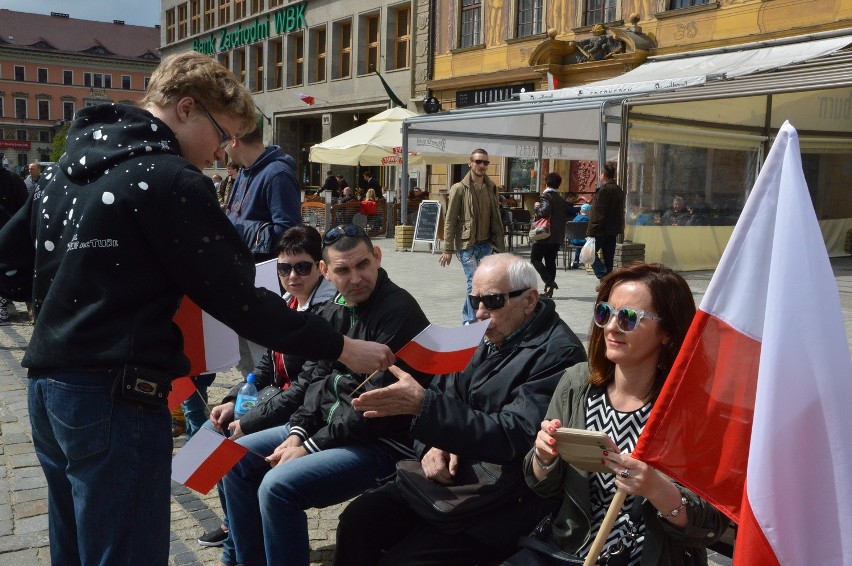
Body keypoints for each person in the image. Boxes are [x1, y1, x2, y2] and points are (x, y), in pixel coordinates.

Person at [0, 52, 393, 566]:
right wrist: (342, 346)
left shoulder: (63, 178)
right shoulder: (167, 178)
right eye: (222, 133)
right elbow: (240, 299)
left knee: (74, 545)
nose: (223, 152)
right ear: (186, 109)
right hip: (114, 392)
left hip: (50, 387)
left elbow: (9, 261)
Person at [336, 253, 587, 565]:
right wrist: (431, 445)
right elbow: (444, 398)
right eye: (474, 299)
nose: (480, 312)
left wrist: (424, 407)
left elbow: (515, 436)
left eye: (493, 301)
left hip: (499, 499)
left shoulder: (559, 354)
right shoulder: (485, 334)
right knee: (358, 519)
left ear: (529, 300)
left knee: (405, 559)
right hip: (450, 483)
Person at [218, 224, 430, 566]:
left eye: (362, 265)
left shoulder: (398, 310)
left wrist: (307, 446)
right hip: (332, 430)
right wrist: (300, 431)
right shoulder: (334, 309)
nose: (356, 278)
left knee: (277, 487)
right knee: (234, 457)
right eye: (343, 270)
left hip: (383, 441)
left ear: (377, 257)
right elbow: (315, 381)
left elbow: (371, 406)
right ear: (326, 272)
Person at [503, 263, 727, 565]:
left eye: (628, 318)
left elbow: (712, 525)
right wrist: (544, 457)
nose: (611, 326)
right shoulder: (577, 383)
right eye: (604, 313)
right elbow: (541, 485)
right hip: (568, 551)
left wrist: (657, 489)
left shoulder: (691, 408)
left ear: (668, 333)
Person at [198, 224, 337, 550]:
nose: (292, 276)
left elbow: (306, 387)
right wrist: (233, 399)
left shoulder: (325, 313)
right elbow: (265, 366)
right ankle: (236, 524)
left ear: (320, 267)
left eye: (302, 267)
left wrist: (249, 422)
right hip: (279, 399)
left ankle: (239, 548)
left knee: (229, 448)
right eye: (284, 268)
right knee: (211, 429)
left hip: (304, 412)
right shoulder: (288, 303)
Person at [440, 148, 506, 324]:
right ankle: (470, 321)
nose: (482, 165)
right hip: (466, 244)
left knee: (482, 284)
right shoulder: (459, 189)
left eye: (485, 162)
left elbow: (496, 218)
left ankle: (469, 316)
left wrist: (500, 247)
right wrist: (447, 248)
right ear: (470, 163)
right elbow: (450, 220)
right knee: (474, 283)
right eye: (478, 161)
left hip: (486, 244)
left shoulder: (491, 187)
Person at [226, 123, 301, 263]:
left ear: (234, 141)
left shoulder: (278, 174)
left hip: (262, 271)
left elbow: (290, 233)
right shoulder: (244, 171)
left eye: (223, 141)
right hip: (240, 265)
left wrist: (239, 231)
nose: (222, 149)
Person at [531, 172, 567, 298]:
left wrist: (536, 207)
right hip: (557, 236)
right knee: (550, 261)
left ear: (546, 183)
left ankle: (549, 282)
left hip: (545, 235)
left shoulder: (546, 196)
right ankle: (549, 290)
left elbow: (544, 212)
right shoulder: (562, 199)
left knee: (535, 259)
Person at [0, 164, 28, 325]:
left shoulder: (12, 179)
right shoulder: (14, 179)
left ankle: (3, 308)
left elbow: (24, 207)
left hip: (8, 232)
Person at [587, 163, 625, 280]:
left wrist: (591, 231)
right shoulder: (618, 189)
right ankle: (608, 284)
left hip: (601, 230)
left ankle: (603, 275)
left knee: (589, 253)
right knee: (609, 259)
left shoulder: (604, 190)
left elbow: (598, 213)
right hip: (613, 229)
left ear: (603, 175)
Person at [570, 203, 592, 268]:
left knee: (578, 239)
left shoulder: (575, 218)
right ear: (589, 212)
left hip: (574, 241)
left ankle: (576, 260)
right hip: (585, 241)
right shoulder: (588, 220)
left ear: (580, 211)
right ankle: (587, 261)